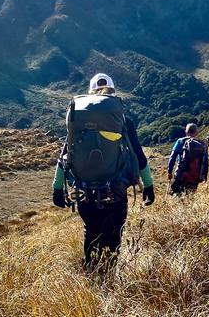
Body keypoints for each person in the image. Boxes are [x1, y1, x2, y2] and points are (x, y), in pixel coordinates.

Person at [52, 73, 155, 271]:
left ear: (91, 93)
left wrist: (57, 188)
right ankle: (107, 280)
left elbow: (65, 156)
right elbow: (138, 156)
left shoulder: (78, 120)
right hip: (115, 191)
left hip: (84, 191)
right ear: (112, 93)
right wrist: (148, 186)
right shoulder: (123, 120)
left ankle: (90, 277)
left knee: (91, 232)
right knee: (113, 235)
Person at [167, 123, 209, 195]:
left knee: (176, 193)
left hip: (181, 174)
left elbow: (172, 157)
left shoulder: (180, 141)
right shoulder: (202, 144)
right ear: (196, 132)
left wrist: (169, 171)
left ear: (186, 131)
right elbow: (206, 161)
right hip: (195, 175)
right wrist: (205, 175)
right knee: (190, 195)